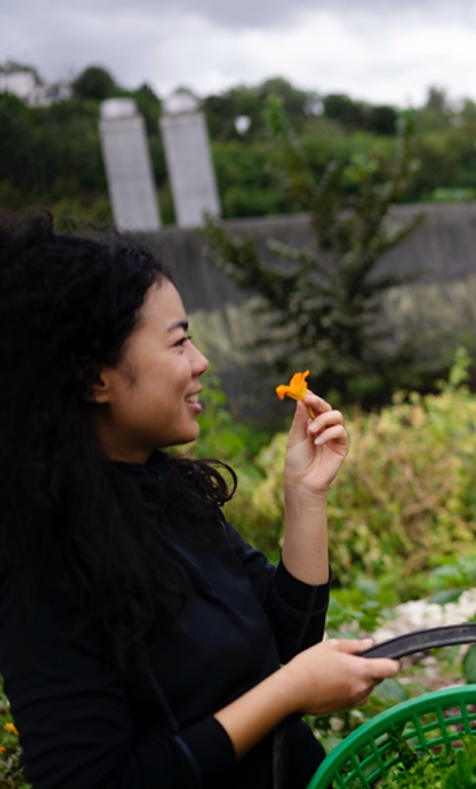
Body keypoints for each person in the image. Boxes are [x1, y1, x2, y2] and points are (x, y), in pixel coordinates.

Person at [0, 210, 401, 789]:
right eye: (179, 341)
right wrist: (286, 693)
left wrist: (306, 495)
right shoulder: (43, 566)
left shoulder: (169, 490)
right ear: (95, 379)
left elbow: (287, 637)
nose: (201, 361)